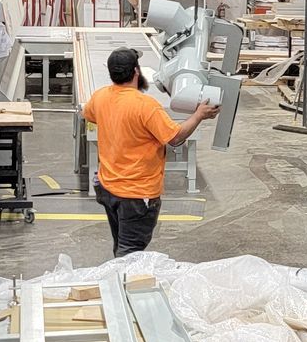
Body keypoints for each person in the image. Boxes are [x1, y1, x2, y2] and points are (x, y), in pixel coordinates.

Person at [83, 46, 219, 257]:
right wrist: (199, 115)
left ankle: (119, 281)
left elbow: (89, 114)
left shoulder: (100, 97)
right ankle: (122, 286)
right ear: (136, 71)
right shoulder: (146, 106)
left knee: (121, 246)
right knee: (130, 255)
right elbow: (175, 138)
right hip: (136, 194)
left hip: (109, 187)